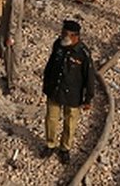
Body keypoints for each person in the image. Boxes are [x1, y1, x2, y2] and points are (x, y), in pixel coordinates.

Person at [41, 20, 96, 164]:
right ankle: (50, 144)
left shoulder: (83, 54)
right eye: (62, 33)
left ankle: (65, 148)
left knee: (70, 122)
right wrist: (46, 85)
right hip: (55, 90)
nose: (63, 36)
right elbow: (50, 65)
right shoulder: (58, 45)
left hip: (73, 95)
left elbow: (89, 77)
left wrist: (88, 99)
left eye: (66, 34)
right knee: (51, 119)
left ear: (75, 37)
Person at [0, 0, 26, 93]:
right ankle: (10, 78)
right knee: (10, 57)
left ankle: (12, 84)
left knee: (11, 57)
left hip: (12, 33)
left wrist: (10, 37)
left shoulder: (14, 0)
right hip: (12, 31)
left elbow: (13, 20)